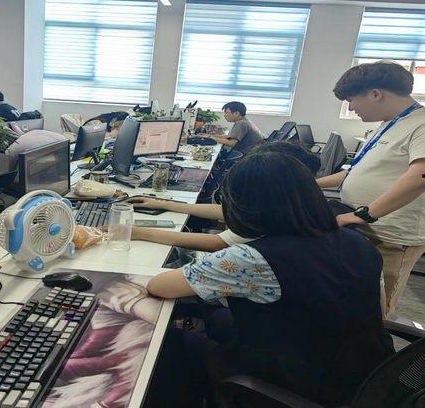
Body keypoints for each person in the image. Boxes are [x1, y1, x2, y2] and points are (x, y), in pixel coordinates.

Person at [145, 151, 394, 408]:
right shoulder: (359, 242)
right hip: (365, 375)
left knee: (170, 343)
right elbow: (379, 310)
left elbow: (160, 286)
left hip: (297, 381)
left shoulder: (254, 257)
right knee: (219, 319)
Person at [317, 61, 425, 316]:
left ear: (375, 94)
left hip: (390, 236)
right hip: (364, 227)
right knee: (354, 301)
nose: (351, 108)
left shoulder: (421, 124)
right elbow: (357, 171)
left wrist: (363, 214)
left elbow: (420, 175)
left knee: (375, 309)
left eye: (351, 100)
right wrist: (309, 183)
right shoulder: (391, 123)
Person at [128, 141, 321, 252]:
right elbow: (223, 211)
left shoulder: (266, 222)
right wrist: (164, 204)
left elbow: (216, 242)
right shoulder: (300, 208)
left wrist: (137, 232)